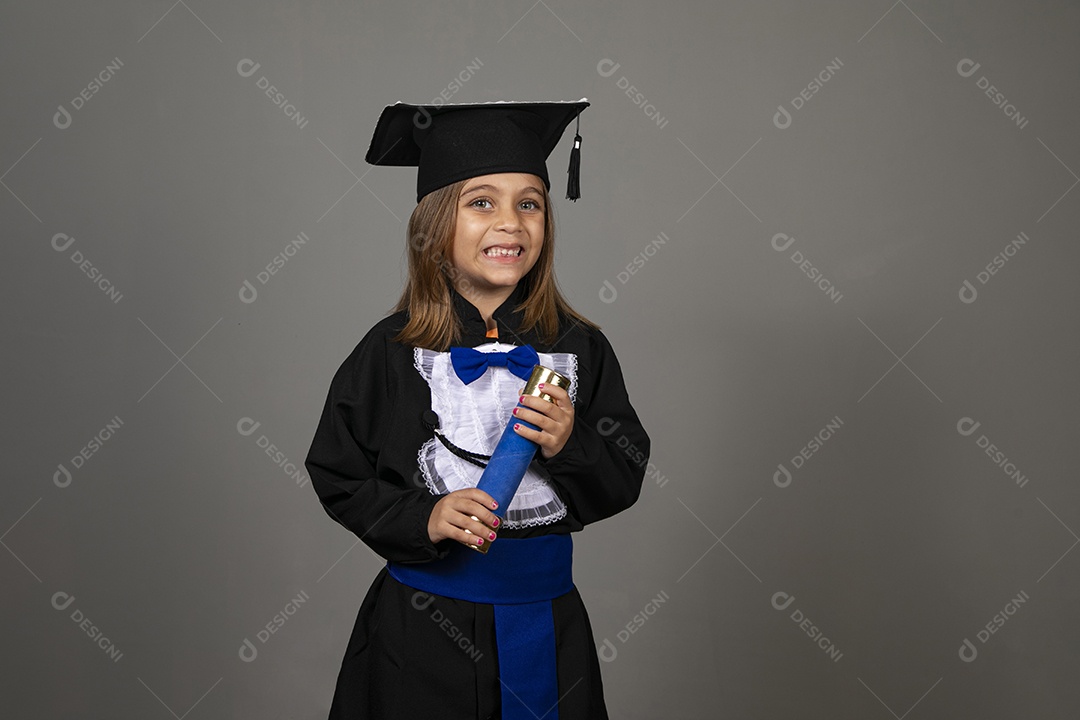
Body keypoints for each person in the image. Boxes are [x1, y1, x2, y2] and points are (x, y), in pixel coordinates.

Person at [304, 99, 651, 720]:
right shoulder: (391, 351)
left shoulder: (580, 348)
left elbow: (623, 476)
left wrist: (569, 443)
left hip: (545, 620)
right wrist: (426, 515)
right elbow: (337, 473)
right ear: (436, 224)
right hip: (420, 632)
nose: (510, 223)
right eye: (481, 202)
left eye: (530, 203)